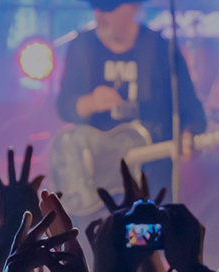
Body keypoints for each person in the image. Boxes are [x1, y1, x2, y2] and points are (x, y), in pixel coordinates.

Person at [54, 0, 208, 217]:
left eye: (109, 8)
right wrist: (91, 102)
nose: (99, 15)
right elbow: (63, 106)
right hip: (94, 187)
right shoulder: (83, 46)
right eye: (95, 7)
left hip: (149, 184)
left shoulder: (162, 49)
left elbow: (192, 111)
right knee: (97, 247)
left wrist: (189, 133)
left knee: (144, 246)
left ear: (133, 7)